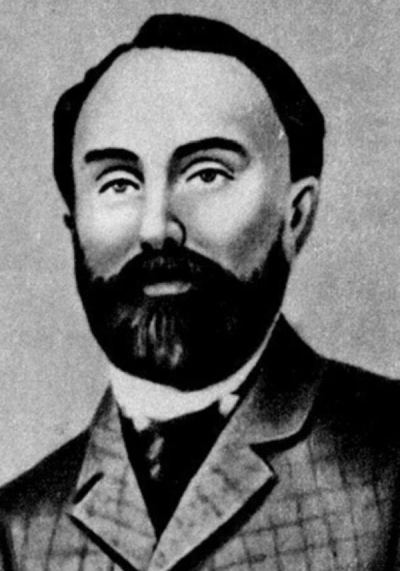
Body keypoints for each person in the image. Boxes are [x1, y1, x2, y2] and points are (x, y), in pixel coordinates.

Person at [1, 13, 400, 571]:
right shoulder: (20, 524)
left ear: (296, 215)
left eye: (207, 174)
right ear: (73, 225)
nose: (156, 227)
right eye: (119, 183)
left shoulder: (387, 466)